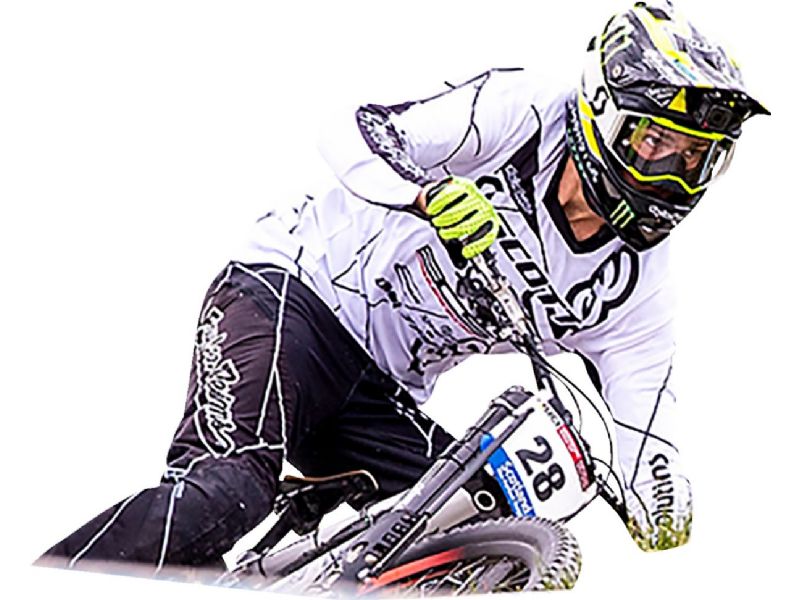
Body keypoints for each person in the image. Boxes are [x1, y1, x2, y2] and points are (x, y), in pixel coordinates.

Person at [39, 0, 768, 573]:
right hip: (291, 295)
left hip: (378, 389)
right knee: (229, 492)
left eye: (698, 159)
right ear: (603, 114)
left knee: (478, 522)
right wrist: (424, 192)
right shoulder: (523, 112)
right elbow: (350, 129)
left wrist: (663, 499)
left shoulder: (637, 289)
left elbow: (648, 429)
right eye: (657, 143)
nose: (676, 175)